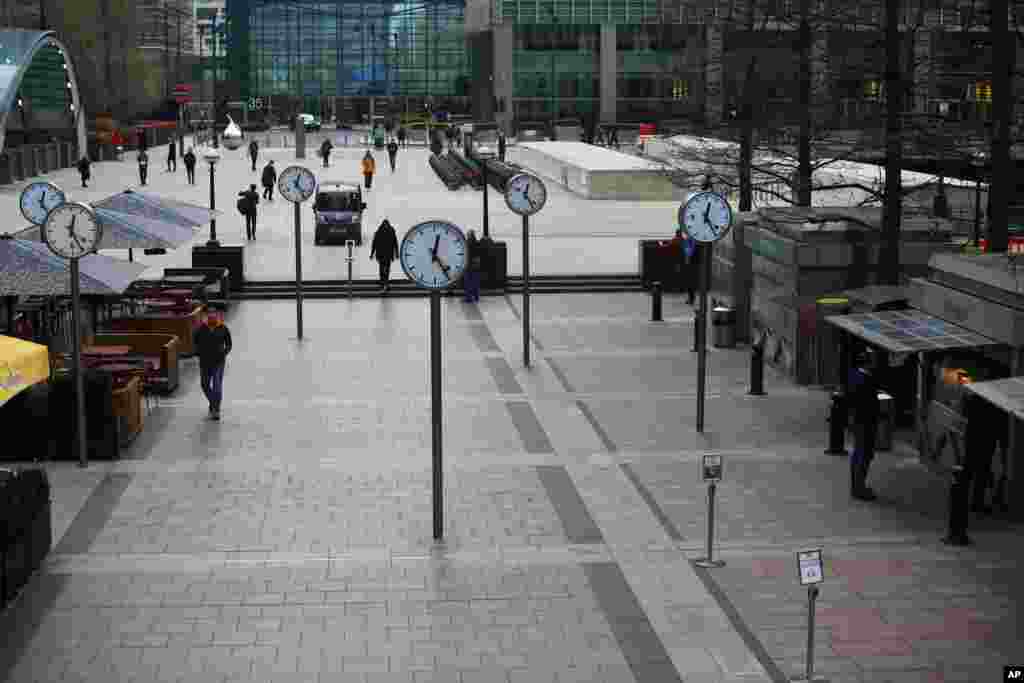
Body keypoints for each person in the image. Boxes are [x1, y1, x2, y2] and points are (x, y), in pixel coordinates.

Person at [848, 353, 880, 501]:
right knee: (864, 454)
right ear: (867, 363)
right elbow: (868, 403)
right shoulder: (866, 380)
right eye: (872, 362)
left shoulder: (854, 375)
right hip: (865, 423)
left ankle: (857, 486)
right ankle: (859, 488)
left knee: (859, 453)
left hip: (857, 421)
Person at [193, 310, 232, 421]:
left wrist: (224, 352)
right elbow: (195, 342)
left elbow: (229, 344)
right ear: (207, 318)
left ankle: (216, 410)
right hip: (205, 362)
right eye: (210, 318)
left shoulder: (223, 328)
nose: (212, 320)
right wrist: (198, 352)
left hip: (218, 362)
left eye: (214, 318)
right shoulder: (201, 329)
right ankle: (213, 403)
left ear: (217, 318)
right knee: (204, 385)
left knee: (217, 386)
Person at [369, 218, 399, 292]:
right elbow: (395, 244)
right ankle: (385, 282)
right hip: (388, 254)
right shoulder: (391, 232)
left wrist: (372, 254)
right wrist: (396, 253)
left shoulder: (379, 232)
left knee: (382, 268)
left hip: (381, 254)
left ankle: (383, 282)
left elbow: (374, 244)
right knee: (386, 268)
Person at [463, 229, 482, 303]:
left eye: (468, 235)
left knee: (468, 282)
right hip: (475, 265)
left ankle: (468, 298)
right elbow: (478, 254)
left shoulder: (466, 243)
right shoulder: (477, 243)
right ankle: (476, 296)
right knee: (475, 281)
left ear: (469, 235)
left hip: (468, 265)